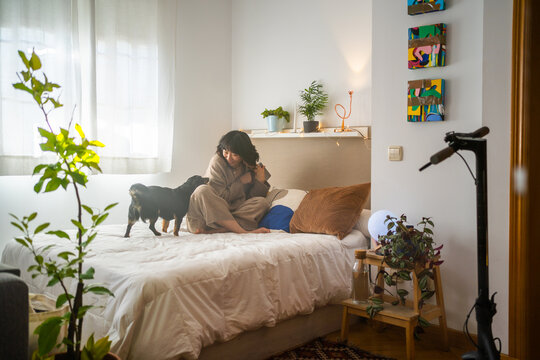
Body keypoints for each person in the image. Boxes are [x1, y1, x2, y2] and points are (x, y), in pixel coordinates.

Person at [186, 130, 271, 234]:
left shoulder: (248, 164)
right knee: (202, 190)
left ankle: (224, 228)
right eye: (225, 152)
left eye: (235, 155)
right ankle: (242, 231)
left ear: (244, 154)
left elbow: (252, 197)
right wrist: (241, 182)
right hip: (208, 214)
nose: (229, 158)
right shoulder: (217, 162)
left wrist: (260, 180)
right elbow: (220, 197)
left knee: (262, 203)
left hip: (232, 212)